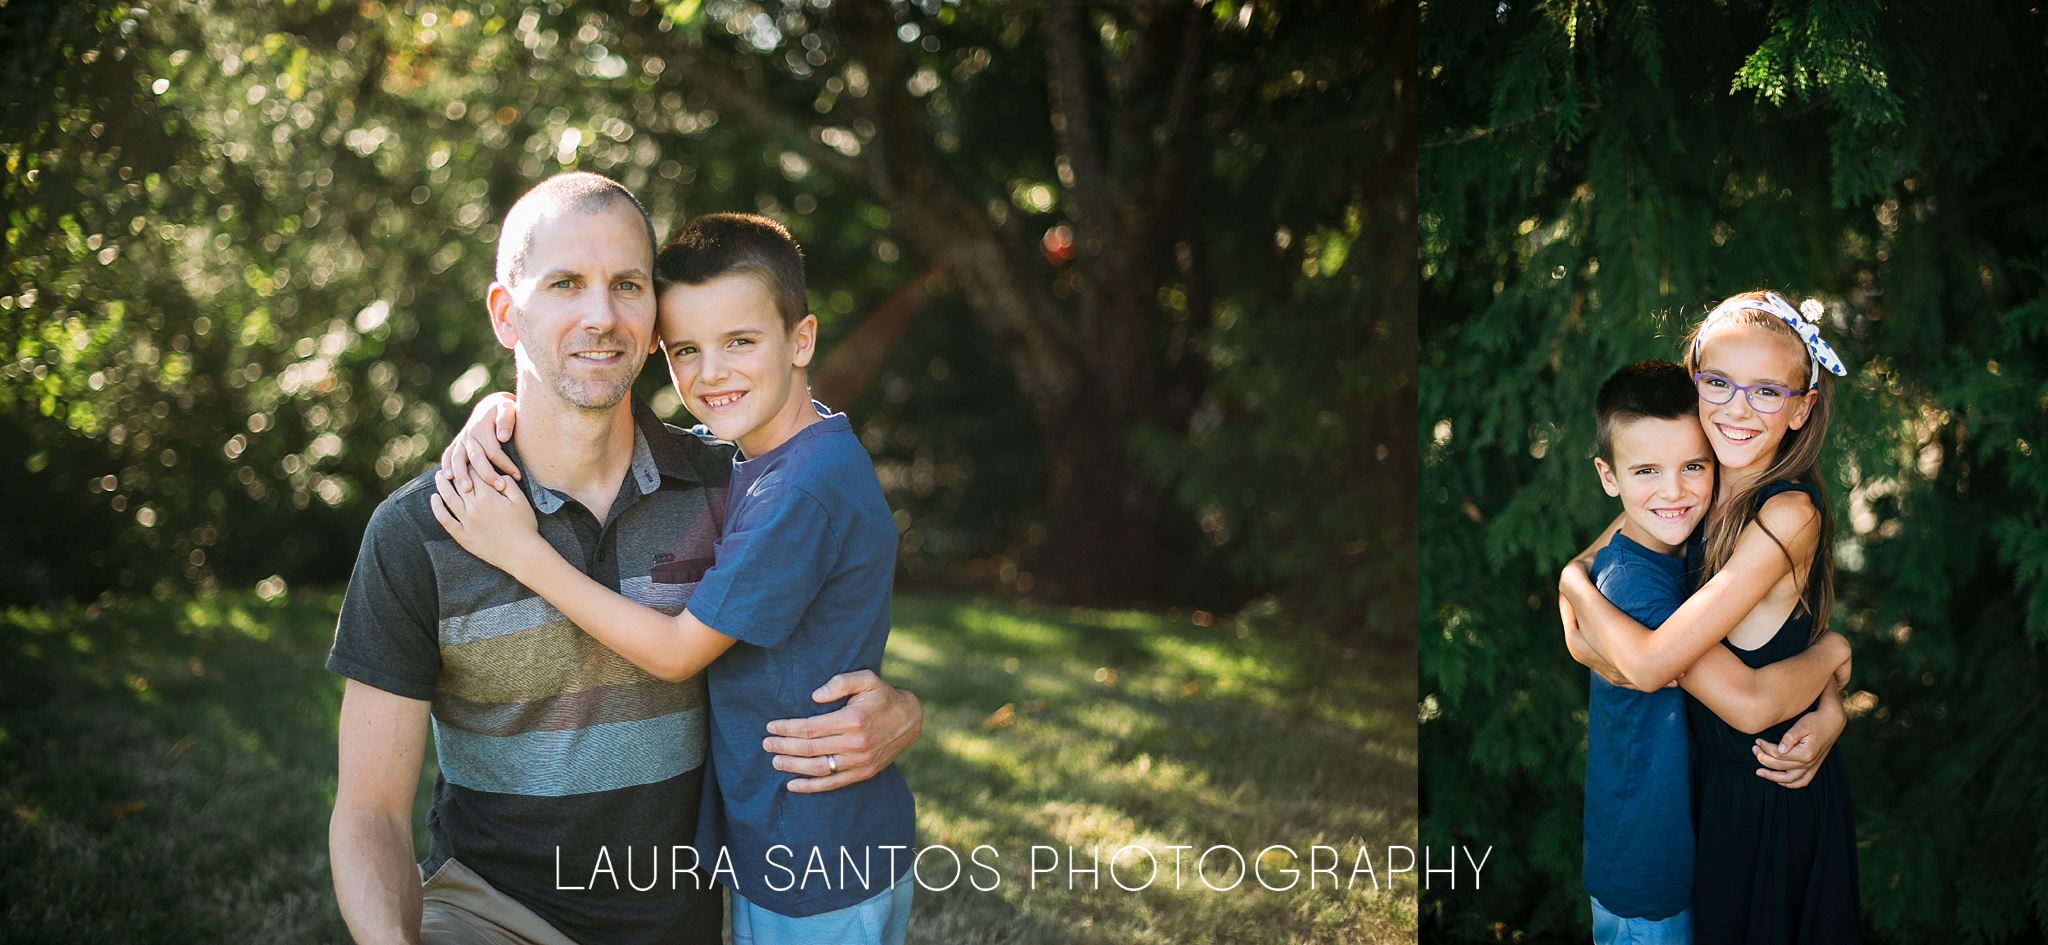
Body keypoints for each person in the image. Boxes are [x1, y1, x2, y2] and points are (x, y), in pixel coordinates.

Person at [327, 174, 923, 945]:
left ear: (651, 322)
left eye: (628, 286)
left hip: (685, 918)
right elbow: (369, 810)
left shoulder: (729, 485)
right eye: (565, 283)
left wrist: (903, 712)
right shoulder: (428, 528)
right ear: (508, 315)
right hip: (494, 914)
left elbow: (831, 602)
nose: (600, 315)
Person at [1562, 292, 1863, 943]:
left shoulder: (1787, 514)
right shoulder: (1697, 478)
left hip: (1769, 790)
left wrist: (1574, 588)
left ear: (1802, 406)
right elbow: (1597, 556)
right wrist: (1573, 579)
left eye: (1766, 391)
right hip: (1712, 787)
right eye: (1719, 382)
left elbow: (1647, 663)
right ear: (1695, 379)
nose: (1737, 407)